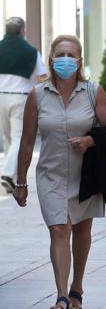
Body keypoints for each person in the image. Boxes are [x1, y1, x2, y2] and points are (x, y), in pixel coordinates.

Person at [13, 35, 106, 309]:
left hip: (86, 175)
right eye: (60, 53)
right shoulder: (37, 95)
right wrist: (20, 181)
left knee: (82, 232)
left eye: (71, 54)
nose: (65, 59)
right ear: (51, 58)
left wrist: (88, 141)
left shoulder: (93, 92)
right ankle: (61, 297)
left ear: (80, 61)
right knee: (59, 230)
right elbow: (26, 141)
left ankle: (77, 290)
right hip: (51, 174)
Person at [0, 17, 47, 194]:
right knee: (18, 138)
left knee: (8, 139)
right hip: (19, 99)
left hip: (0, 98)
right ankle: (8, 173)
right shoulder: (31, 51)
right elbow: (41, 76)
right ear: (22, 31)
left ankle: (10, 177)